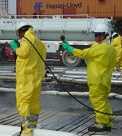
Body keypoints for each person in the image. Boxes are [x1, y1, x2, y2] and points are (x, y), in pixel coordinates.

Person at [60, 25, 116, 132]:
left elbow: (83, 53)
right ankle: (107, 120)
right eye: (96, 35)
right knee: (103, 101)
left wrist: (68, 48)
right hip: (105, 79)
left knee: (97, 101)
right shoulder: (111, 48)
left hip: (97, 79)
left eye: (99, 35)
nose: (97, 37)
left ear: (105, 35)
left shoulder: (100, 47)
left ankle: (101, 123)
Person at [10, 22, 47, 136]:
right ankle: (31, 128)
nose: (19, 37)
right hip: (35, 78)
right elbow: (43, 54)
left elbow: (24, 52)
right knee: (34, 104)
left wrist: (16, 48)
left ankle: (26, 132)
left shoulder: (27, 39)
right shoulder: (37, 41)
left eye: (18, 34)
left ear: (22, 31)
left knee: (24, 104)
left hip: (26, 79)